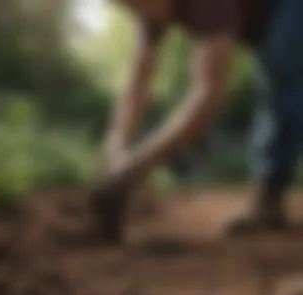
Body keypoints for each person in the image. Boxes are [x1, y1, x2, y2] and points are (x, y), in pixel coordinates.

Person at [90, 0, 303, 242]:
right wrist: (114, 145)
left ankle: (269, 199)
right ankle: (271, 203)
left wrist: (136, 167)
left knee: (282, 64)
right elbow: (138, 81)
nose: (136, 13)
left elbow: (209, 96)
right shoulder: (150, 10)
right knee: (280, 65)